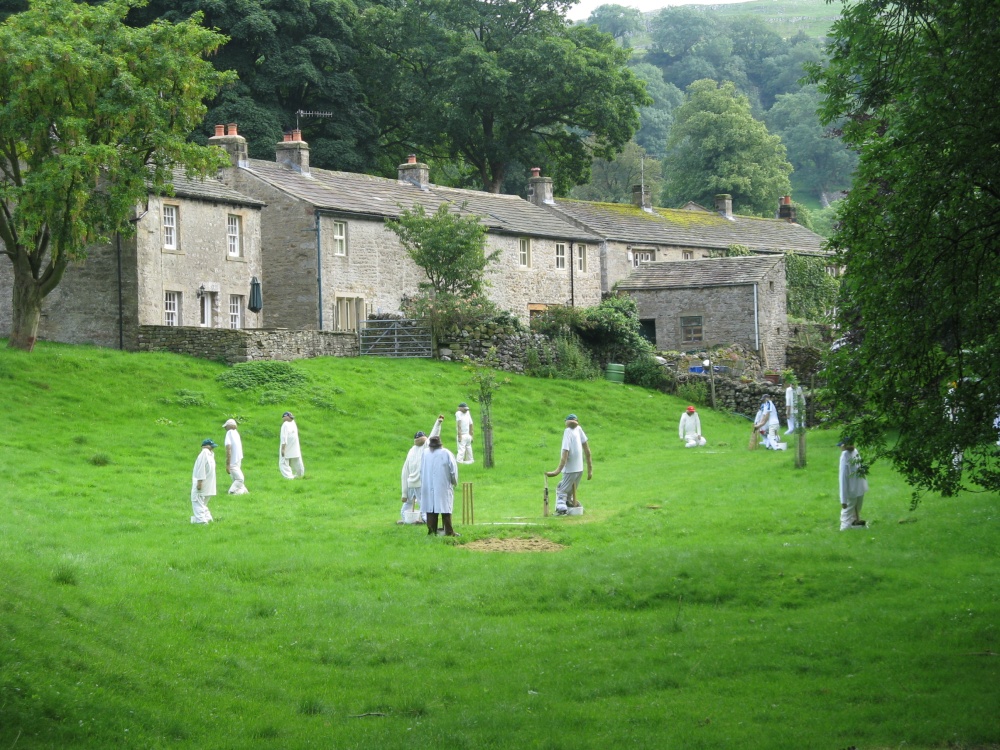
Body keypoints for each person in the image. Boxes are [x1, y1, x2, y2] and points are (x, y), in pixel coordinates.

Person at [400, 415, 445, 524]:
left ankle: (406, 520)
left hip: (410, 483)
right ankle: (426, 520)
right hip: (420, 483)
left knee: (408, 504)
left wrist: (404, 493)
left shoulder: (411, 451)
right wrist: (438, 423)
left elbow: (404, 472)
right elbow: (434, 436)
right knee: (424, 503)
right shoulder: (425, 449)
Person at [545, 414, 593, 515]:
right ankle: (570, 502)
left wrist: (557, 471)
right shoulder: (579, 429)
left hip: (570, 468)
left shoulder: (568, 432)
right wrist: (589, 469)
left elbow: (565, 452)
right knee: (571, 488)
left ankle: (562, 508)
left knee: (562, 489)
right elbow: (587, 451)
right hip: (580, 468)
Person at [420, 435, 459, 536]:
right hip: (443, 485)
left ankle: (432, 531)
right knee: (445, 508)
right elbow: (453, 470)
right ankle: (449, 532)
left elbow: (421, 469)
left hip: (429, 484)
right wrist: (454, 481)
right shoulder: (446, 453)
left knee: (431, 508)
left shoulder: (425, 453)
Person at [839, 440, 869, 530]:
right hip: (850, 490)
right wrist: (843, 500)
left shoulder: (855, 452)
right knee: (847, 512)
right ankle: (844, 529)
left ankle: (855, 527)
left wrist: (863, 486)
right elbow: (842, 478)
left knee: (857, 510)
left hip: (859, 488)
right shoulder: (844, 456)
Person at [191, 438, 217, 524]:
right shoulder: (209, 455)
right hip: (209, 486)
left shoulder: (204, 454)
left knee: (197, 502)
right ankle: (208, 518)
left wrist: (199, 483)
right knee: (202, 504)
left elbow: (201, 469)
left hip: (202, 484)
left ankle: (202, 522)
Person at [223, 418, 249, 495]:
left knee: (238, 479)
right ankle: (234, 492)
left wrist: (228, 464)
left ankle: (235, 492)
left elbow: (228, 447)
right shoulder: (235, 433)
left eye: (226, 426)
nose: (225, 428)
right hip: (235, 462)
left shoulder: (230, 433)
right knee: (239, 479)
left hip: (234, 462)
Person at [279, 411, 305, 479]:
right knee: (297, 460)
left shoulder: (285, 425)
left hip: (287, 447)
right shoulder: (293, 423)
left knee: (283, 462)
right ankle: (300, 475)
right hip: (295, 447)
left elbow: (284, 438)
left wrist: (283, 449)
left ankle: (289, 477)